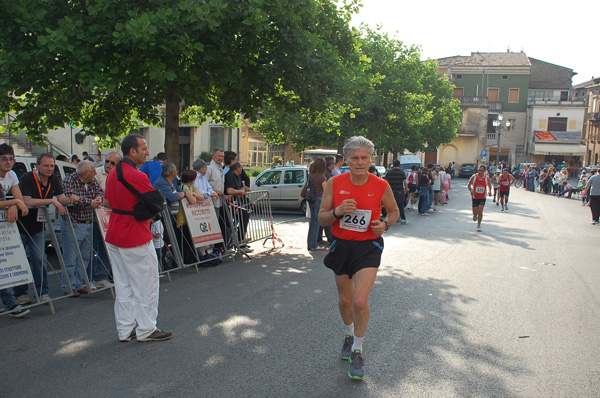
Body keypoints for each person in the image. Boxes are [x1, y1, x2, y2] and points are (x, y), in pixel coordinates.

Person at [318, 135, 399, 380]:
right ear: (346, 160)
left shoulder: (380, 185)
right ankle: (348, 333)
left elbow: (394, 211)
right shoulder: (334, 183)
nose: (360, 162)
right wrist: (337, 211)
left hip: (368, 248)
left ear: (370, 159)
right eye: (355, 158)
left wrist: (384, 224)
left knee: (360, 301)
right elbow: (321, 218)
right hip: (342, 246)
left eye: (364, 158)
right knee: (345, 300)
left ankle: (358, 350)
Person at [103, 133, 172, 342]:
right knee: (146, 283)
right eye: (143, 149)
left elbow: (106, 202)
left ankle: (125, 330)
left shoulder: (113, 173)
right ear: (132, 151)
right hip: (134, 233)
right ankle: (147, 329)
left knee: (123, 285)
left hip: (115, 232)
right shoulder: (136, 175)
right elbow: (156, 202)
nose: (147, 152)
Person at [14, 153, 75, 304]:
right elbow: (26, 200)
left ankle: (42, 292)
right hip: (22, 223)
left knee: (40, 258)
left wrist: (70, 199)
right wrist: (51, 201)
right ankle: (20, 294)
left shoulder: (53, 179)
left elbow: (61, 198)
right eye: (46, 166)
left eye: (52, 166)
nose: (49, 169)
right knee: (21, 258)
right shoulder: (27, 178)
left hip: (39, 224)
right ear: (37, 166)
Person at [61, 160, 103, 296]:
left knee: (85, 256)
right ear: (85, 174)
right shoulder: (69, 180)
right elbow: (70, 198)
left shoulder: (92, 182)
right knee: (71, 257)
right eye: (93, 171)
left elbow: (100, 193)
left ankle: (80, 283)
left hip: (89, 221)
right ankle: (69, 285)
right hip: (74, 222)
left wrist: (96, 199)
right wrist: (89, 201)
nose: (95, 173)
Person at [0, 144, 31, 318]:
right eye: (4, 158)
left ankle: (10, 302)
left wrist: (14, 203)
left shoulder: (11, 175)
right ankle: (11, 303)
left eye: (11, 158)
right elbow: (18, 202)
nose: (8, 162)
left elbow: (19, 198)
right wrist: (14, 203)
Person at [93, 151, 121, 288]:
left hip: (110, 216)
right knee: (91, 247)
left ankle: (102, 276)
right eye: (107, 161)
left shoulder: (118, 175)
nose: (108, 165)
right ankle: (90, 278)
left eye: (112, 163)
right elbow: (96, 194)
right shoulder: (97, 173)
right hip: (95, 215)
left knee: (107, 247)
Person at [224, 162, 252, 251]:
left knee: (244, 216)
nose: (242, 170)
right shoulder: (230, 175)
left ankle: (240, 240)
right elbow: (229, 190)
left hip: (237, 201)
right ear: (238, 168)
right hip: (231, 203)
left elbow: (240, 189)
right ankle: (229, 243)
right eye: (241, 168)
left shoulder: (237, 176)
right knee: (230, 223)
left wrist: (241, 190)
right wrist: (239, 191)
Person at [306, 158, 327, 251]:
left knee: (313, 222)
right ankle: (313, 245)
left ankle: (310, 243)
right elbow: (326, 190)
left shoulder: (311, 176)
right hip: (319, 199)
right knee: (316, 222)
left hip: (312, 199)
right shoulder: (322, 177)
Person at [467, 165, 493, 232]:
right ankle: (475, 215)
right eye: (478, 170)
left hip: (482, 197)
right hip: (475, 196)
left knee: (480, 211)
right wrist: (471, 190)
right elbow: (469, 185)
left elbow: (489, 185)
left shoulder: (486, 178)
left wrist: (490, 191)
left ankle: (479, 225)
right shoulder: (474, 177)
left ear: (484, 171)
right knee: (475, 211)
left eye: (481, 170)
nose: (479, 172)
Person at [385, 159, 408, 224]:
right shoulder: (401, 172)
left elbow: (386, 182)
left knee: (391, 206)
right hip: (399, 191)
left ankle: (390, 220)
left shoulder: (389, 173)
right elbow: (405, 183)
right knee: (400, 206)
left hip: (391, 192)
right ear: (399, 165)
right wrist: (405, 190)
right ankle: (403, 219)